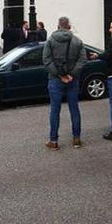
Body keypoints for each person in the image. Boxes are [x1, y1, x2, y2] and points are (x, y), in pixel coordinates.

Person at [43, 17, 87, 150]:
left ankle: (53, 141)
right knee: (74, 109)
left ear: (58, 26)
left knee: (55, 110)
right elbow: (83, 59)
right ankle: (76, 139)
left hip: (55, 79)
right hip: (73, 80)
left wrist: (59, 75)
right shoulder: (77, 41)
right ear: (69, 26)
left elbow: (46, 60)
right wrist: (71, 74)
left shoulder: (50, 41)